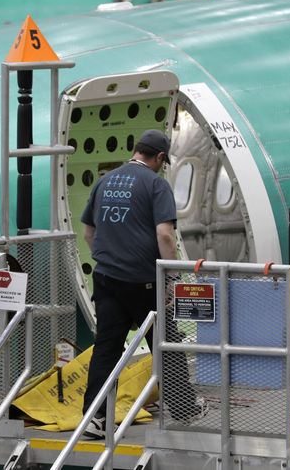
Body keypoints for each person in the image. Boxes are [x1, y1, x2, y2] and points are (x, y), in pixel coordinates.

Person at [80, 129, 206, 440]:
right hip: (143, 282)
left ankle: (96, 419)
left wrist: (109, 257)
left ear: (137, 150)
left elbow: (88, 232)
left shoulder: (105, 181)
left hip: (106, 279)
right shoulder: (156, 184)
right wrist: (171, 276)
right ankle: (184, 408)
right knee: (166, 343)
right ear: (160, 157)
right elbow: (165, 235)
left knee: (106, 350)